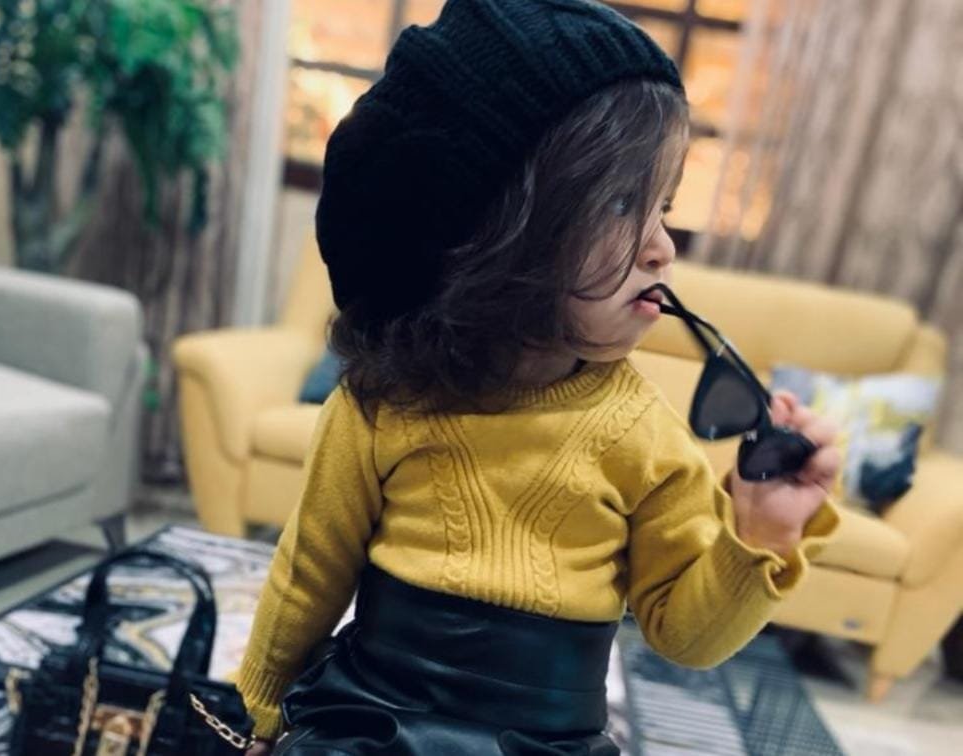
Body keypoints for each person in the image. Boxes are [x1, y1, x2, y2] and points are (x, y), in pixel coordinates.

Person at [238, 1, 841, 753]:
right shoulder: (383, 403)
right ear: (499, 226)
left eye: (664, 208)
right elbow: (308, 575)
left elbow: (687, 636)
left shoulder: (646, 436)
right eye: (621, 203)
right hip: (371, 722)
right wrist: (257, 712)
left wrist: (760, 534)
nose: (662, 247)